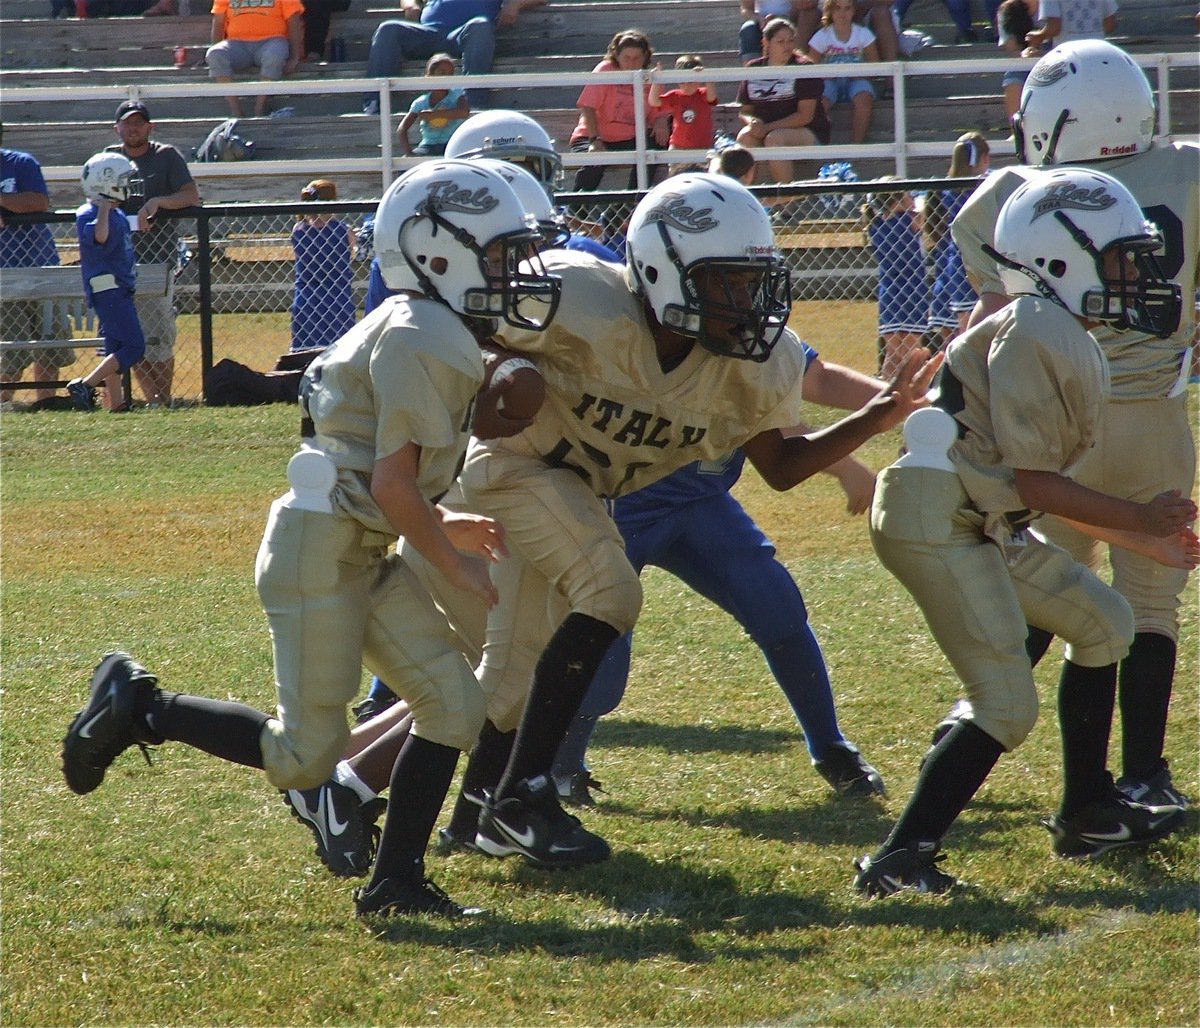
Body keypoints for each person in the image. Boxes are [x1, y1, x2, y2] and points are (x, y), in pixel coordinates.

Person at [60, 159, 563, 919]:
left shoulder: (428, 326)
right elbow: (393, 486)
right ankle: (141, 706)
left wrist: (443, 520)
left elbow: (386, 473)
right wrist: (451, 558)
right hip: (323, 549)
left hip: (355, 539)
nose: (509, 272)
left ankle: (395, 884)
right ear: (436, 252)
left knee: (454, 706)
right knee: (305, 754)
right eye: (495, 256)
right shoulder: (426, 331)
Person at [444, 172, 940, 870]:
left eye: (752, 282)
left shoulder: (750, 357)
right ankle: (528, 793)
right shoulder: (577, 298)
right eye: (728, 283)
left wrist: (878, 417)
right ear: (660, 270)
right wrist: (497, 380)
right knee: (611, 597)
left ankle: (414, 799)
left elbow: (782, 464)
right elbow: (457, 334)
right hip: (517, 469)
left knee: (511, 678)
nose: (747, 301)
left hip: (603, 492)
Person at [854, 166, 1193, 898]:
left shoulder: (1055, 325)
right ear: (1059, 258)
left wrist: (1141, 543)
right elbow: (1037, 484)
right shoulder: (1038, 328)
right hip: (937, 514)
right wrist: (1139, 519)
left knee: (1105, 621)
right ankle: (900, 857)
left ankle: (1088, 809)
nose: (1136, 275)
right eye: (1121, 259)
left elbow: (1027, 489)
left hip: (976, 509)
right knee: (1007, 701)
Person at [952, 39, 1199, 813]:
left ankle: (970, 728)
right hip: (1155, 414)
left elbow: (1000, 313)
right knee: (1152, 600)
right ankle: (1143, 774)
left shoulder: (1009, 193)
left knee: (1043, 590)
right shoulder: (1189, 171)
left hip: (1054, 421)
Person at [104, 99, 201, 407]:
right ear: (117, 127)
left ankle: (162, 399)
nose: (133, 129)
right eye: (127, 123)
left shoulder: (166, 156)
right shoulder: (108, 158)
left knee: (159, 335)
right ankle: (156, 401)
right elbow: (97, 202)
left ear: (150, 127)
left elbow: (191, 196)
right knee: (127, 335)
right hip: (117, 262)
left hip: (158, 260)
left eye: (138, 122)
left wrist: (158, 202)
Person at [362, 0, 545, 113]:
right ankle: (374, 104)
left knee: (480, 25)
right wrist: (411, 4)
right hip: (428, 32)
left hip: (465, 33)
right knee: (387, 29)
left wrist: (515, 3)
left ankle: (473, 106)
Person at [68, 153, 147, 414]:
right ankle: (86, 385)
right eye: (123, 180)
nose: (128, 185)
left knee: (114, 347)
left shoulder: (119, 214)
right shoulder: (88, 214)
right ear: (106, 183)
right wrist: (103, 207)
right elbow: (100, 236)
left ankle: (116, 403)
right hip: (107, 287)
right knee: (134, 346)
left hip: (119, 286)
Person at [1, 128, 72, 405]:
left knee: (50, 343)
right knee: (10, 349)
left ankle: (47, 402)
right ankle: (4, 404)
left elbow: (38, 201)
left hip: (40, 266)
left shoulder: (21, 163)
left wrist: (3, 201)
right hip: (4, 274)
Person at [569, 29, 669, 192]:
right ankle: (575, 210)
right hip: (592, 135)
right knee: (595, 159)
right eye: (627, 58)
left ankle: (628, 207)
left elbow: (658, 108)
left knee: (653, 148)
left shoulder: (649, 77)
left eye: (637, 58)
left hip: (629, 137)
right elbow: (588, 107)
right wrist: (595, 140)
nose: (632, 63)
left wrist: (661, 119)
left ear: (645, 57)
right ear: (616, 56)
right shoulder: (605, 69)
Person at [736, 18, 831, 184]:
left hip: (807, 133)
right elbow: (744, 110)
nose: (787, 46)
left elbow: (805, 116)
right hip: (766, 131)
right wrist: (752, 122)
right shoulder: (753, 68)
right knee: (745, 137)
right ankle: (747, 197)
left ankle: (785, 203)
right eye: (780, 41)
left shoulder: (804, 68)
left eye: (790, 41)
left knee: (775, 138)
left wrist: (767, 127)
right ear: (766, 42)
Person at [924, 131, 989, 348]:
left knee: (963, 333)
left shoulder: (947, 188)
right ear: (983, 158)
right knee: (974, 334)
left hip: (955, 262)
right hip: (976, 260)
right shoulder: (983, 187)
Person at [863, 181, 929, 378]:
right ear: (898, 201)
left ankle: (888, 394)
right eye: (908, 195)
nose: (912, 199)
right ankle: (913, 394)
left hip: (889, 290)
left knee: (893, 353)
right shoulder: (911, 220)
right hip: (914, 289)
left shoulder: (875, 225)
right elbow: (924, 207)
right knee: (912, 352)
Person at [206, 0, 304, 119]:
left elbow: (293, 20)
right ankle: (236, 111)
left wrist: (295, 56)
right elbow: (219, 21)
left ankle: (259, 109)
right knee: (215, 54)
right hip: (236, 44)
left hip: (272, 41)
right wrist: (215, 52)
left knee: (274, 55)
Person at [290, 178, 355, 352]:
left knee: (305, 354)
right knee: (340, 352)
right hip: (337, 299)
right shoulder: (343, 230)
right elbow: (351, 251)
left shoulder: (298, 230)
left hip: (306, 298)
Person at [806, 0, 878, 144]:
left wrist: (859, 74)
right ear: (830, 11)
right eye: (837, 8)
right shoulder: (822, 35)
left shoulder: (863, 34)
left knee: (864, 99)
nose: (842, 13)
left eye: (847, 8)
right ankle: (819, 145)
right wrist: (826, 74)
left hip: (857, 80)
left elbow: (875, 65)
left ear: (854, 11)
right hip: (829, 80)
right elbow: (809, 67)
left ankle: (856, 146)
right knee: (820, 103)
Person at [648, 55, 718, 175]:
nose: (686, 86)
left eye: (690, 81)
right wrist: (656, 81)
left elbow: (712, 97)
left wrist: (707, 77)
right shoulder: (675, 96)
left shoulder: (703, 94)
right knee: (675, 176)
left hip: (702, 146)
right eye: (682, 81)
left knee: (702, 177)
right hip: (678, 146)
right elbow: (653, 101)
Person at [397, 53, 470, 157]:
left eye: (450, 74)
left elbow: (463, 112)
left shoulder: (457, 94)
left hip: (453, 143)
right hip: (428, 146)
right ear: (430, 75)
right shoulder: (421, 102)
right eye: (442, 73)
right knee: (405, 165)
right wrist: (409, 153)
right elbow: (402, 129)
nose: (446, 78)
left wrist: (434, 115)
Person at [997, 0, 1039, 119]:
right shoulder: (1007, 10)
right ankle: (1017, 132)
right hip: (1024, 64)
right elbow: (1011, 47)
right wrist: (1025, 56)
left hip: (1052, 61)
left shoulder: (1053, 5)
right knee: (1014, 76)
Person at [1023, 0, 1116, 53]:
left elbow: (1054, 27)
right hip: (1099, 52)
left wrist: (1038, 37)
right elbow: (1110, 24)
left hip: (1068, 55)